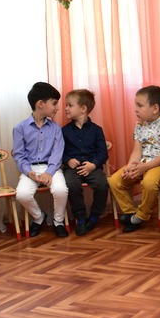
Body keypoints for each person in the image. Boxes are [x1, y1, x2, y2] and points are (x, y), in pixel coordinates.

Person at [109, 85, 160, 233]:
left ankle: (141, 215)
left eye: (140, 105)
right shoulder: (139, 125)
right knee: (114, 181)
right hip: (142, 163)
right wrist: (130, 166)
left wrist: (145, 167)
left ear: (155, 108)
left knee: (149, 183)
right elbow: (137, 151)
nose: (136, 109)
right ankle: (131, 213)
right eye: (136, 105)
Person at [13, 82, 69, 238]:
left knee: (61, 190)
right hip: (30, 169)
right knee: (22, 194)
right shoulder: (20, 128)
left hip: (52, 168)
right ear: (40, 104)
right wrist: (28, 172)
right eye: (54, 103)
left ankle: (58, 221)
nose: (57, 108)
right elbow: (19, 155)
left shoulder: (55, 128)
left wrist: (49, 172)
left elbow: (57, 153)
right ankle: (39, 217)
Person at [62, 89, 109, 236]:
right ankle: (80, 217)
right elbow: (59, 152)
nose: (66, 108)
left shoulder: (97, 130)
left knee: (102, 184)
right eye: (66, 105)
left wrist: (93, 165)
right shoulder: (64, 131)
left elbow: (103, 153)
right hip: (73, 168)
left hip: (92, 167)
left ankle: (94, 215)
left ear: (83, 109)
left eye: (70, 105)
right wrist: (68, 160)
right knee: (71, 184)